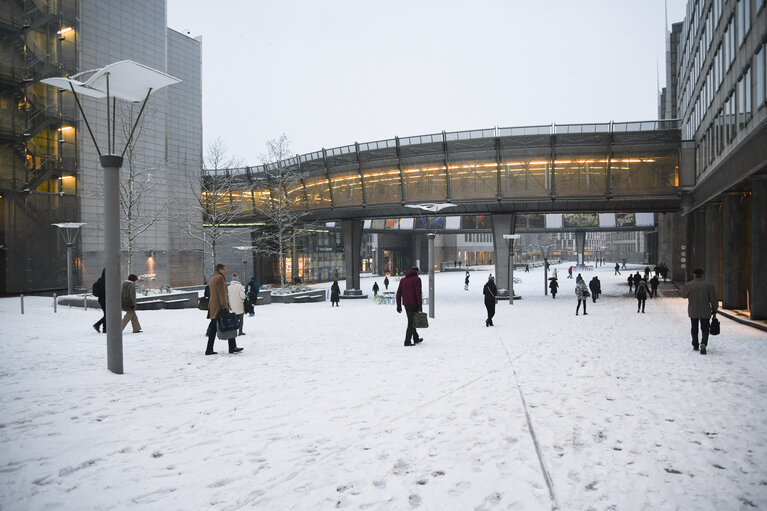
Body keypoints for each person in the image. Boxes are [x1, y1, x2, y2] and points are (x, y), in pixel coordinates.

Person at [205, 264, 243, 355]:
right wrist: (225, 307)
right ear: (220, 270)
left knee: (214, 329)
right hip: (219, 307)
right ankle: (232, 347)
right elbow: (222, 294)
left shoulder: (213, 278)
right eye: (225, 270)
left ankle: (209, 349)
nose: (226, 272)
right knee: (230, 324)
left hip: (213, 307)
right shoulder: (220, 278)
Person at [681, 268, 718, 354]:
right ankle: (704, 343)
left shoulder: (689, 285)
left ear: (694, 275)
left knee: (694, 328)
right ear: (702, 275)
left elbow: (683, 295)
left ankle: (695, 344)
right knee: (705, 328)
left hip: (693, 310)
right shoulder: (709, 285)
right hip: (705, 310)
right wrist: (714, 309)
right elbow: (713, 299)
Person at [396, 266, 423, 346]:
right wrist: (420, 304)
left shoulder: (403, 280)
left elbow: (398, 293)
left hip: (406, 304)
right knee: (411, 322)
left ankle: (416, 338)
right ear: (416, 271)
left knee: (412, 320)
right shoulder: (417, 279)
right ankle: (407, 341)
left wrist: (398, 305)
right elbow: (418, 293)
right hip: (414, 304)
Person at [92, 268, 106, 333]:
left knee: (107, 314)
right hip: (105, 300)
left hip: (101, 299)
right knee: (108, 315)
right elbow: (104, 290)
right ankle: (98, 325)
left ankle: (104, 328)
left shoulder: (100, 280)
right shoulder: (106, 281)